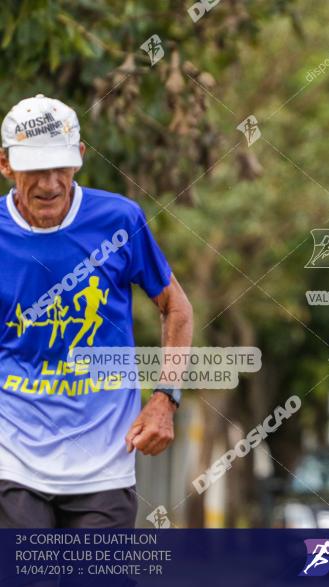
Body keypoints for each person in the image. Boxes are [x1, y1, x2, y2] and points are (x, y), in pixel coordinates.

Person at [0, 94, 193, 528]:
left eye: (60, 167)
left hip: (105, 460)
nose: (50, 183)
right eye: (35, 168)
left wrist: (166, 398)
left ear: (80, 158)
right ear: (6, 164)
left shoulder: (119, 221)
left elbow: (176, 308)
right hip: (11, 460)